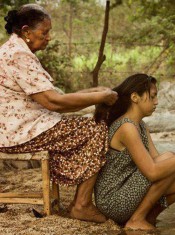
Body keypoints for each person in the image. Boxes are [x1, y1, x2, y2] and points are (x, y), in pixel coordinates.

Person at [0, 4, 118, 223]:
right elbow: (53, 102)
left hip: (23, 128)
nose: (48, 38)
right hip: (18, 134)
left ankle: (80, 197)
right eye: (44, 33)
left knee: (84, 124)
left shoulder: (16, 51)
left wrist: (93, 92)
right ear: (26, 31)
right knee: (96, 126)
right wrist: (99, 98)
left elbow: (57, 98)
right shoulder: (18, 55)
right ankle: (82, 204)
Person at [94, 73, 175, 230]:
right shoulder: (126, 127)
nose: (156, 102)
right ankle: (136, 219)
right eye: (152, 96)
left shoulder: (140, 125)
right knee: (171, 158)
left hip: (128, 191)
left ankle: (148, 217)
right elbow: (152, 172)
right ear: (135, 97)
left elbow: (158, 160)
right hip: (113, 200)